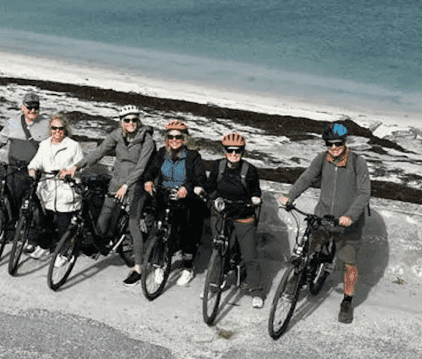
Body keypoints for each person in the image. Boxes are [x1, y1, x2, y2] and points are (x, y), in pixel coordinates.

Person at [279, 122, 371, 324]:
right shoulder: (322, 159)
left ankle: (347, 301)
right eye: (329, 144)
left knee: (349, 264)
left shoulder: (357, 162)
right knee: (308, 251)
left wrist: (350, 216)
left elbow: (364, 193)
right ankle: (299, 277)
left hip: (348, 224)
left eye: (337, 144)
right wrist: (290, 196)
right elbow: (306, 178)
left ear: (344, 142)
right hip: (323, 218)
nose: (334, 148)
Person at [68, 104, 155, 285]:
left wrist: (127, 185)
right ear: (121, 122)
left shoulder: (147, 141)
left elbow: (141, 167)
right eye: (127, 120)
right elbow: (98, 152)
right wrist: (77, 166)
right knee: (104, 216)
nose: (131, 123)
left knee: (133, 224)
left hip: (135, 186)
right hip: (116, 182)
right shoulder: (117, 135)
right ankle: (101, 246)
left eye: (134, 119)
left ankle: (138, 268)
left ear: (138, 121)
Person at [142, 120, 208, 286]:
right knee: (162, 230)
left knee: (187, 235)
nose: (174, 139)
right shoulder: (162, 152)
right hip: (164, 196)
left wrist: (187, 187)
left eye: (178, 136)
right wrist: (148, 180)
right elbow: (151, 169)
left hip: (184, 200)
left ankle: (188, 267)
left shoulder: (193, 156)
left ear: (184, 139)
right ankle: (160, 263)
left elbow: (200, 178)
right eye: (170, 136)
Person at [205, 132, 265, 307]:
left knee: (249, 254)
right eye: (230, 150)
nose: (233, 154)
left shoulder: (250, 170)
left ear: (243, 151)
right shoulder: (218, 166)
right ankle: (214, 284)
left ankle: (257, 291)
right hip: (221, 211)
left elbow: (255, 191)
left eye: (238, 151)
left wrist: (255, 199)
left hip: (243, 213)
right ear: (224, 151)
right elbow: (210, 186)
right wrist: (203, 191)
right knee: (219, 247)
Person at [25, 113, 84, 262]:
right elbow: (36, 161)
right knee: (45, 221)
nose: (57, 132)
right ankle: (45, 247)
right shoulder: (44, 144)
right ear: (50, 128)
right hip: (48, 188)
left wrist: (69, 171)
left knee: (64, 225)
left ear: (65, 129)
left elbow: (81, 166)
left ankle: (64, 253)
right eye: (54, 128)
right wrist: (32, 170)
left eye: (60, 128)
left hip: (66, 190)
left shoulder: (73, 146)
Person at [0, 92, 46, 206]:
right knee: (12, 201)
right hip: (14, 169)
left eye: (36, 107)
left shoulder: (46, 124)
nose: (33, 110)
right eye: (29, 107)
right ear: (23, 107)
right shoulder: (13, 122)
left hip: (35, 171)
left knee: (33, 203)